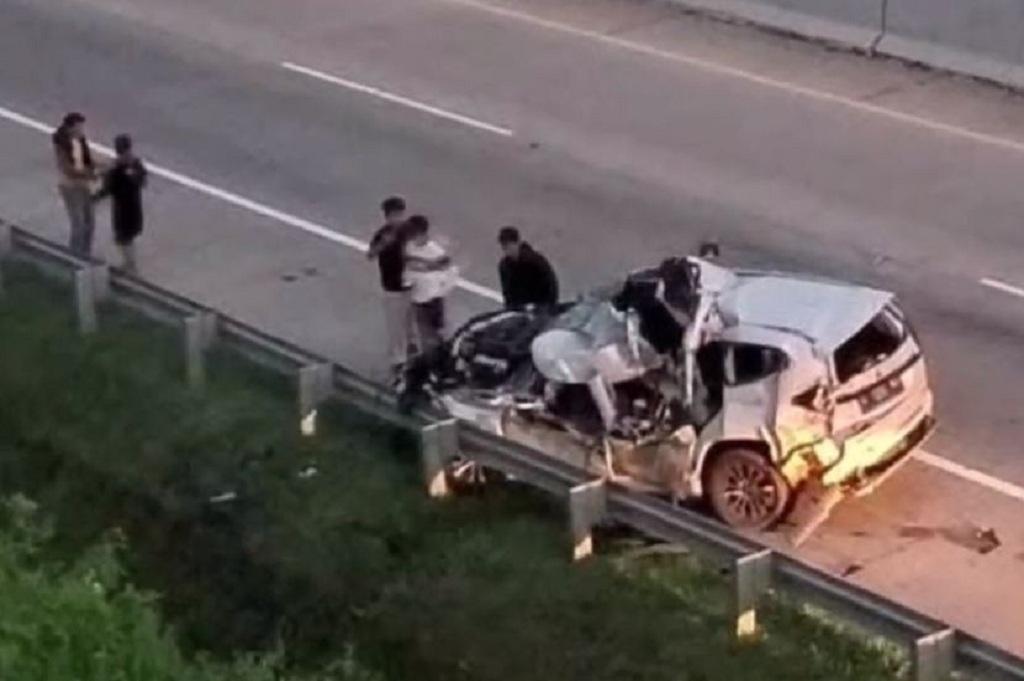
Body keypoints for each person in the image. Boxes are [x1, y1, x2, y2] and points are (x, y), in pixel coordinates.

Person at [367, 196, 414, 372]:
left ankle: (413, 354)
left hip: (411, 286)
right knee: (396, 328)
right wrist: (383, 244)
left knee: (413, 324)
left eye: (400, 214)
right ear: (387, 217)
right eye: (394, 215)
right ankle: (398, 362)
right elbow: (370, 254)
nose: (397, 218)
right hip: (392, 288)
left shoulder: (409, 231)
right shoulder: (382, 234)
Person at [93, 134, 147, 274]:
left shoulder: (117, 169)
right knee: (127, 237)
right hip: (131, 207)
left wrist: (94, 198)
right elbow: (142, 181)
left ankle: (131, 265)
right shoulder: (133, 164)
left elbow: (107, 189)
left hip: (124, 209)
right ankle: (130, 262)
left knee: (123, 238)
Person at [403, 215, 458, 353]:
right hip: (417, 300)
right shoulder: (408, 249)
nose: (411, 236)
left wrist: (440, 292)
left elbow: (450, 274)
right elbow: (406, 270)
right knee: (423, 334)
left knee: (439, 332)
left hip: (434, 300)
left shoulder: (436, 252)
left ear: (422, 233)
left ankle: (440, 356)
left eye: (413, 233)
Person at [52, 112, 97, 256]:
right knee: (78, 224)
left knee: (90, 223)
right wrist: (89, 174)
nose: (82, 130)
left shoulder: (80, 141)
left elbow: (86, 161)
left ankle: (85, 253)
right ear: (70, 128)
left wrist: (100, 167)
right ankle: (74, 256)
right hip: (70, 187)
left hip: (83, 185)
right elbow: (68, 169)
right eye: (79, 127)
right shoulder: (62, 144)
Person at [497, 226, 559, 310]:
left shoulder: (535, 261)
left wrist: (547, 306)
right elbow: (507, 293)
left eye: (509, 245)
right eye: (504, 247)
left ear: (517, 243)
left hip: (541, 306)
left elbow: (550, 284)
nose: (507, 251)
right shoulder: (504, 266)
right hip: (520, 309)